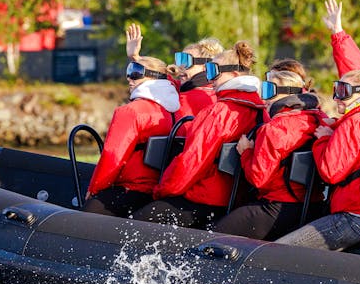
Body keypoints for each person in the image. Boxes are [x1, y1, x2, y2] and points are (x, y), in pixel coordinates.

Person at [132, 41, 268, 228]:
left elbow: (191, 161)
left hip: (204, 200)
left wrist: (161, 190)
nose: (210, 78)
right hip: (235, 200)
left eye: (214, 71)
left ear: (234, 75)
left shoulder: (219, 112)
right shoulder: (261, 110)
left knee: (134, 224)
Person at [276, 69, 360, 250]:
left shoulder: (355, 123)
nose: (336, 97)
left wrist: (323, 139)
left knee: (279, 250)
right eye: (336, 89)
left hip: (354, 217)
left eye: (343, 91)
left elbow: (330, 173)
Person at [212, 69, 327, 240]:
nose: (263, 98)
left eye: (267, 91)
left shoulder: (275, 128)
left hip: (278, 207)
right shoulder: (319, 119)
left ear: (285, 95)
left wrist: (246, 152)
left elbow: (258, 179)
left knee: (211, 236)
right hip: (312, 205)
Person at [84, 56, 180, 217]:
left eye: (136, 72)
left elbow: (112, 156)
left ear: (153, 77)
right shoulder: (175, 113)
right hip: (155, 192)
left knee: (82, 220)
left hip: (130, 190)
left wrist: (94, 190)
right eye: (129, 71)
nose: (129, 77)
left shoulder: (131, 111)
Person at [125, 23, 224, 119]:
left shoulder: (193, 98)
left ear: (205, 67)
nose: (179, 68)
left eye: (186, 62)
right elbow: (159, 76)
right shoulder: (193, 90)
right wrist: (136, 57)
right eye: (180, 60)